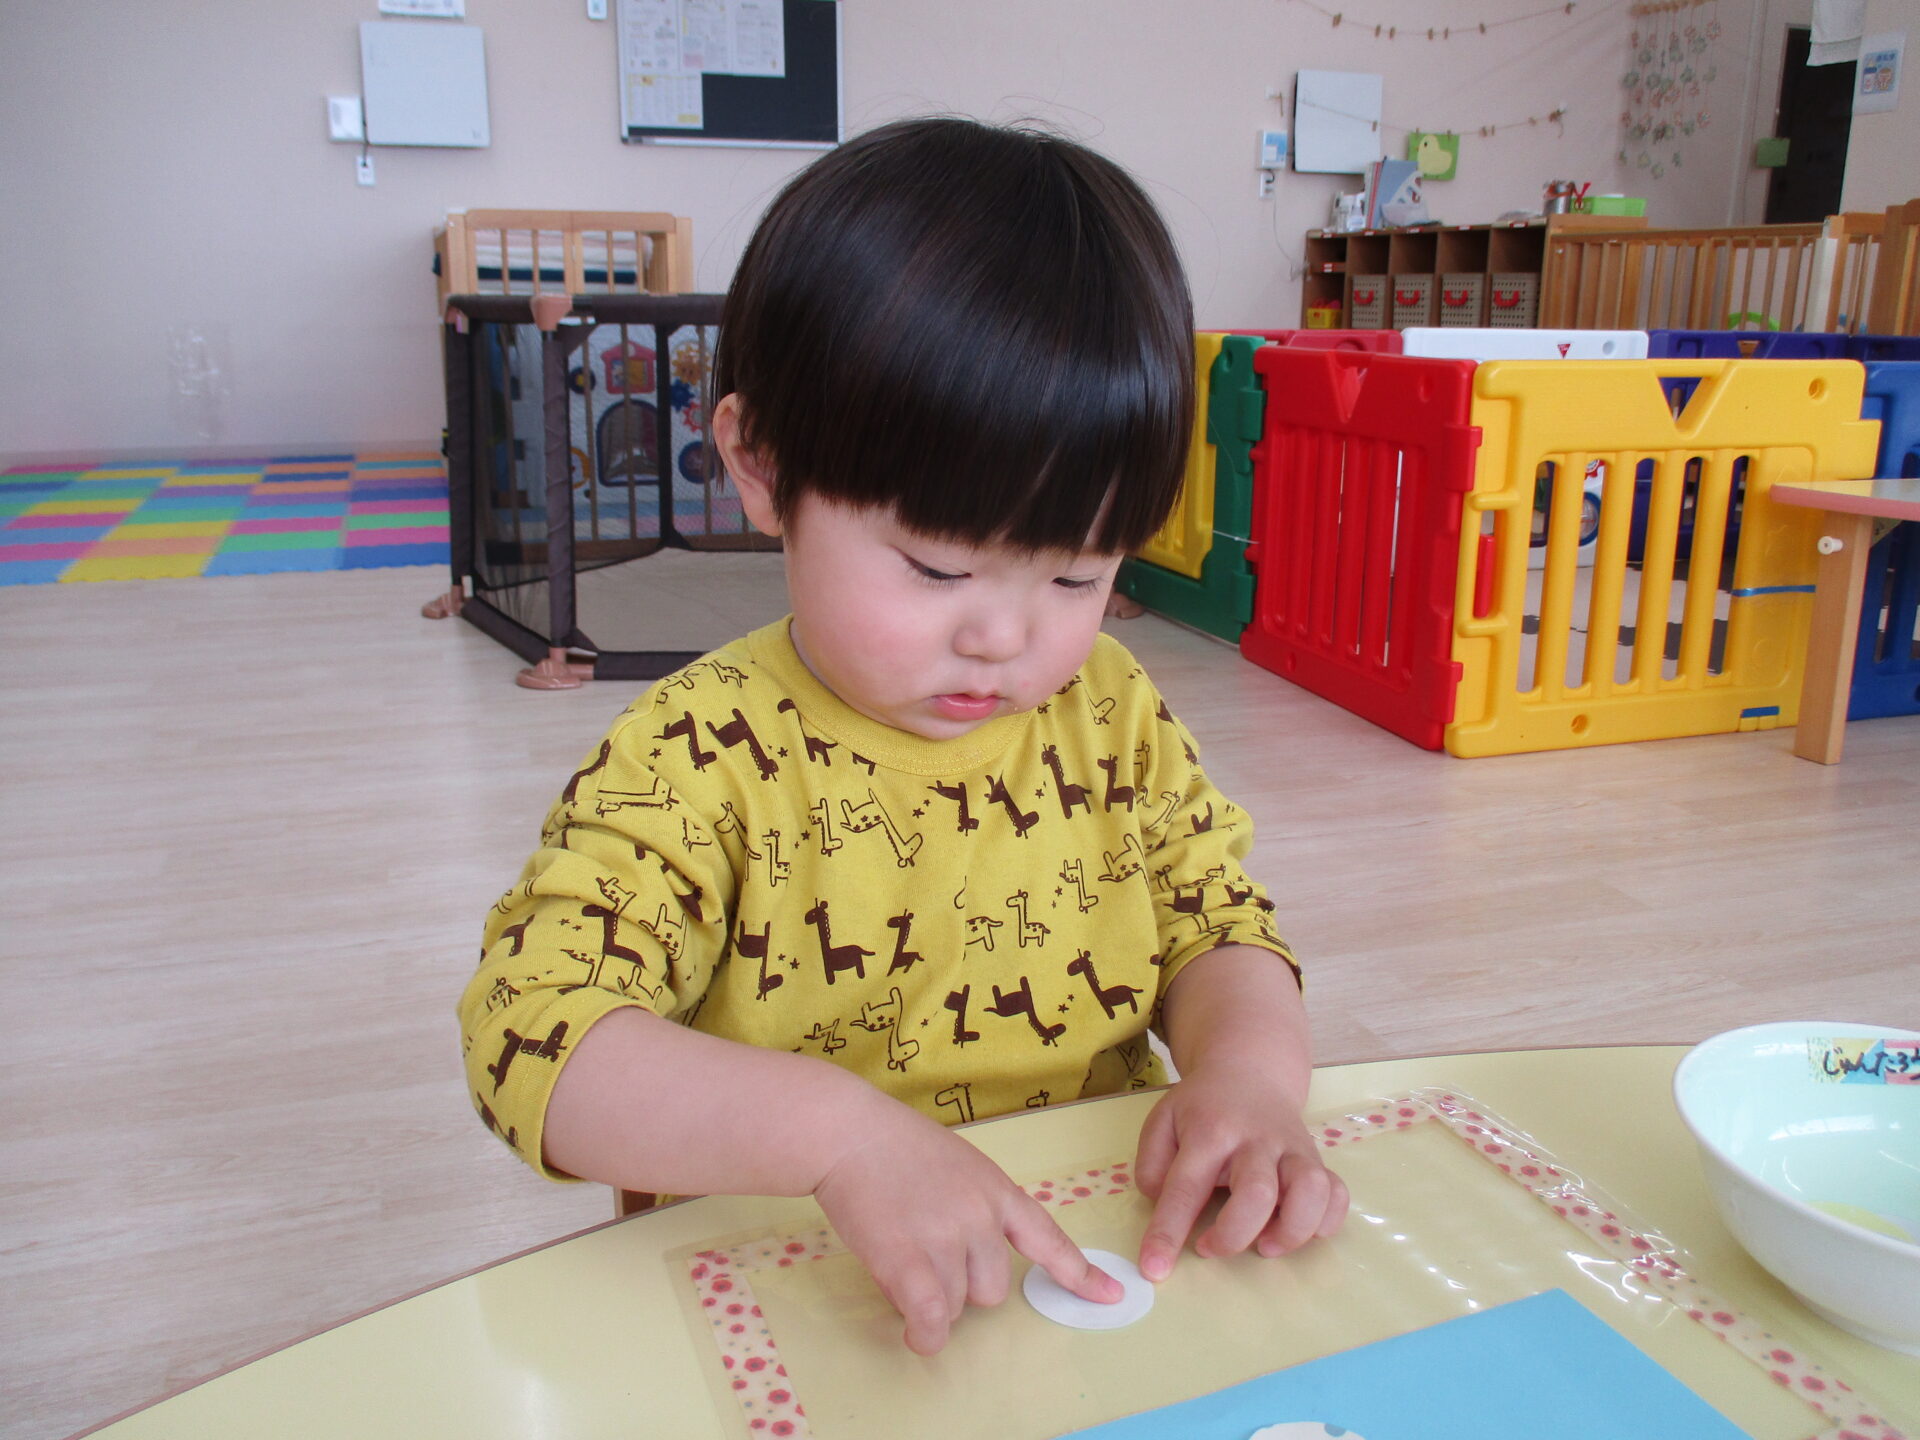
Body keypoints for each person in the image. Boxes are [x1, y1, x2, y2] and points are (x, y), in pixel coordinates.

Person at [457, 116, 1347, 1356]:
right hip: (795, 1295)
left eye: (1078, 574)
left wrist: (1250, 1079)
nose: (1004, 636)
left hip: (1087, 1260)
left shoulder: (1111, 712)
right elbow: (531, 1031)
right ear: (759, 464)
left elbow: (1218, 927)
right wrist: (840, 1140)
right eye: (936, 566)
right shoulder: (697, 754)